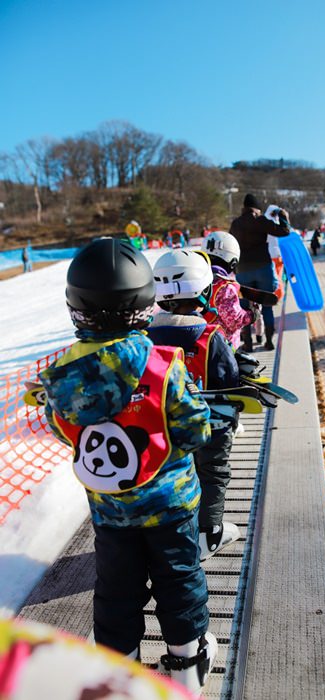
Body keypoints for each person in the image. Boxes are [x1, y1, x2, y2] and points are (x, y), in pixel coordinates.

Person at [38, 238, 217, 697]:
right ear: (144, 304)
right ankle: (187, 665)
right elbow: (196, 430)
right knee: (180, 579)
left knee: (116, 591)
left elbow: (65, 431)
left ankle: (120, 672)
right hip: (172, 505)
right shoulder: (163, 364)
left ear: (76, 307)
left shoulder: (62, 375)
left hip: (111, 511)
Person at [148, 249, 241, 561]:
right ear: (203, 289)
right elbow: (228, 381)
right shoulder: (210, 336)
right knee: (213, 473)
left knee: (170, 476)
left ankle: (169, 532)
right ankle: (208, 534)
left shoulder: (145, 337)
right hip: (210, 425)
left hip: (163, 429)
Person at [230, 193, 290, 351]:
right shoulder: (260, 220)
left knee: (244, 308)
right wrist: (283, 216)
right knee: (267, 306)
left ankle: (248, 344)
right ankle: (268, 342)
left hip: (243, 270)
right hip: (263, 268)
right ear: (256, 208)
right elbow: (284, 231)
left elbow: (230, 245)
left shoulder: (236, 224)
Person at [201, 230, 257, 348]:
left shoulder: (198, 281)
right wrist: (251, 315)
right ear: (232, 263)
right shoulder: (225, 287)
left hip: (202, 343)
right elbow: (234, 320)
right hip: (223, 346)